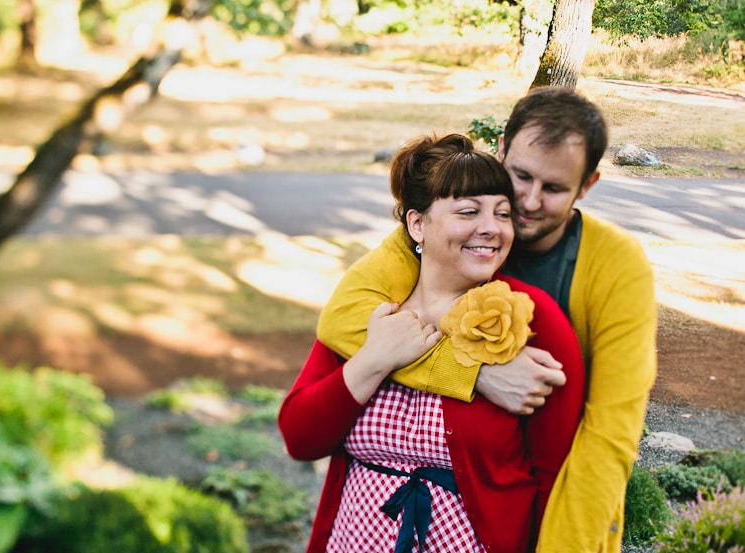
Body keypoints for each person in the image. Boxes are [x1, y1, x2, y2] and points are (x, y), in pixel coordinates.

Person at [314, 87, 658, 552]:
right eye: (520, 176)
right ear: (501, 153)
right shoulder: (442, 232)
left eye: (554, 188)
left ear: (588, 185)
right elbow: (342, 319)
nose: (529, 202)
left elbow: (609, 432)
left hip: (562, 490)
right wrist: (471, 372)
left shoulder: (616, 265)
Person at [279, 133, 585, 553]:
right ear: (417, 224)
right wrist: (375, 359)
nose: (491, 228)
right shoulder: (370, 314)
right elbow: (300, 437)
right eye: (468, 211)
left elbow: (559, 474)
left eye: (501, 213)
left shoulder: (533, 319)